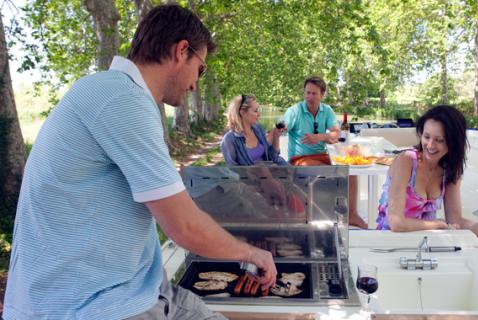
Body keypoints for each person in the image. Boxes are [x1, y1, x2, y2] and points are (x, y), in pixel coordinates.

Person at [3, 5, 276, 320]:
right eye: (200, 69)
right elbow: (184, 227)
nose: (195, 85)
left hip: (138, 286)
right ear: (181, 50)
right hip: (90, 304)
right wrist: (251, 253)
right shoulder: (121, 100)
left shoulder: (117, 92)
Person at [376, 105, 478, 253]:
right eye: (426, 137)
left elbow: (457, 221)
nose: (430, 145)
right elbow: (396, 223)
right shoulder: (406, 160)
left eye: (440, 140)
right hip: (391, 241)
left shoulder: (450, 170)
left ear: (453, 142)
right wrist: (438, 224)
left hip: (424, 239)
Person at [284, 76, 368, 228]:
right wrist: (281, 128)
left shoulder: (327, 110)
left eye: (314, 93)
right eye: (307, 93)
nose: (309, 97)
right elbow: (284, 125)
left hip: (323, 156)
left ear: (322, 95)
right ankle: (316, 217)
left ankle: (353, 214)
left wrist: (320, 137)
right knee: (315, 169)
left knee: (351, 169)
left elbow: (336, 134)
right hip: (300, 158)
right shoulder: (294, 111)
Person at [221, 94, 287, 166]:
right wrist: (257, 169)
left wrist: (276, 136)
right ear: (243, 113)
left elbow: (273, 156)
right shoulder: (229, 140)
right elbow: (233, 170)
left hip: (270, 173)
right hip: (252, 176)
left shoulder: (258, 129)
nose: (259, 114)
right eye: (255, 111)